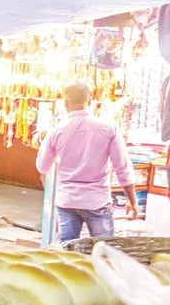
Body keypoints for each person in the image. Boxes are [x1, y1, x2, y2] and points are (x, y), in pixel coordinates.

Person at [36, 82, 138, 243]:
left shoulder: (56, 131)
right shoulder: (108, 128)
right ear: (90, 102)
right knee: (104, 251)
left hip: (67, 201)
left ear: (65, 103)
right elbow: (123, 169)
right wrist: (133, 202)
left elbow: (43, 166)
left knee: (68, 252)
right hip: (97, 201)